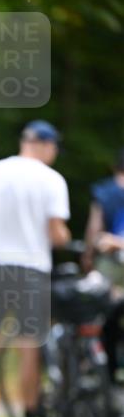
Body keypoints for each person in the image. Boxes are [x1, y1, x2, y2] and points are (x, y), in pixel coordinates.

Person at [0, 120, 71, 417]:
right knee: (29, 344)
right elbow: (56, 233)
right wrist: (66, 237)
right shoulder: (52, 180)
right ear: (45, 145)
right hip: (32, 268)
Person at [83, 147, 124, 382]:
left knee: (105, 317)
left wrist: (88, 258)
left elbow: (94, 232)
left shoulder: (104, 192)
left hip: (110, 269)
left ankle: (107, 374)